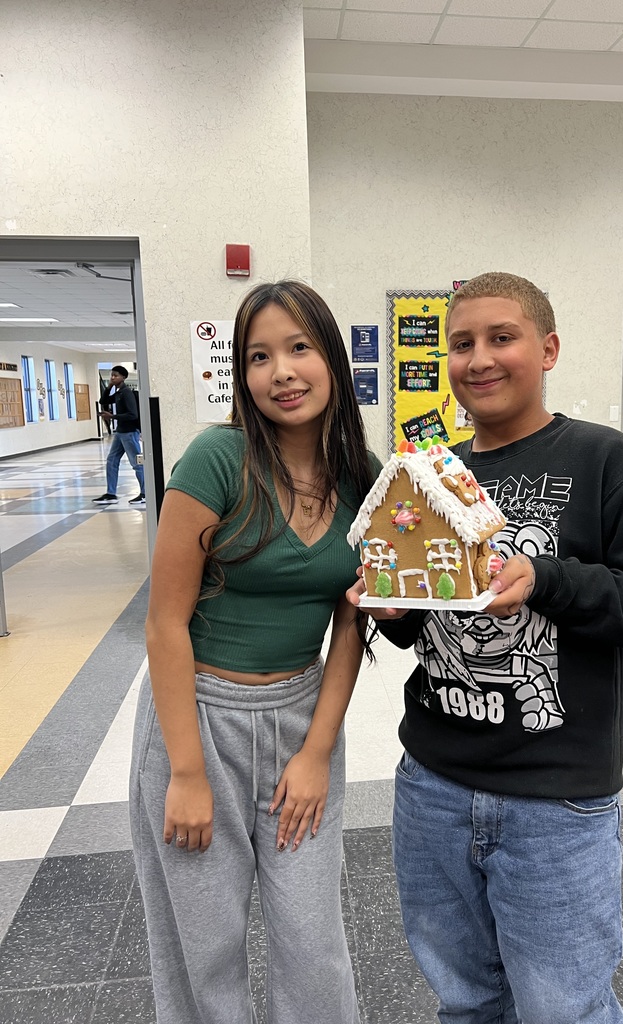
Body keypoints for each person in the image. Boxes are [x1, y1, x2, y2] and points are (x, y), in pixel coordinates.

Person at [349, 272, 623, 1024]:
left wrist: (546, 579)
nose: (479, 359)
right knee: (466, 1002)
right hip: (432, 785)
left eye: (501, 338)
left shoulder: (608, 462)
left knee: (562, 1009)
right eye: (461, 344)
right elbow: (424, 628)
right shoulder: (432, 472)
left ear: (549, 347)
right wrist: (391, 608)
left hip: (557, 801)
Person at [129, 281, 378, 1024]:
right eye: (259, 356)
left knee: (313, 942)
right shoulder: (217, 458)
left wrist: (316, 752)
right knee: (204, 948)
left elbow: (352, 624)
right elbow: (163, 624)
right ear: (242, 375)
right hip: (197, 718)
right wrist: (185, 771)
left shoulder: (363, 475)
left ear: (332, 357)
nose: (282, 372)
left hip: (302, 717)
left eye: (300, 348)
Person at [92, 365, 145, 505]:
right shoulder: (118, 392)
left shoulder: (126, 392)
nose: (113, 378)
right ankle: (111, 493)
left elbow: (133, 414)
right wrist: (109, 386)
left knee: (136, 463)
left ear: (123, 377)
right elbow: (103, 401)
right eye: (112, 375)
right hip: (120, 433)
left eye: (116, 375)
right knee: (112, 461)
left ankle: (145, 493)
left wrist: (113, 416)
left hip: (129, 432)